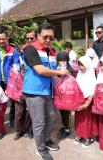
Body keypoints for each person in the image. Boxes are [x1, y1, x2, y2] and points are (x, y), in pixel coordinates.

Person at [23, 22, 68, 160]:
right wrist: (58, 71)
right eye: (45, 37)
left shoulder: (52, 51)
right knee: (39, 122)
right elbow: (40, 70)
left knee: (52, 117)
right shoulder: (30, 49)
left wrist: (61, 75)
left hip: (48, 91)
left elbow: (53, 72)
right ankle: (40, 149)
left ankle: (46, 140)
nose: (48, 40)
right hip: (34, 92)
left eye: (51, 37)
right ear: (37, 36)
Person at [0, 31, 20, 127]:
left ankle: (12, 119)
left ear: (7, 39)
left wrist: (13, 81)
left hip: (10, 81)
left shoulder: (13, 51)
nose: (1, 41)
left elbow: (16, 67)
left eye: (3, 39)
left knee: (13, 101)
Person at [74, 56, 98, 149]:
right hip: (79, 101)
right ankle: (80, 135)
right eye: (79, 64)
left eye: (82, 65)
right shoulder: (79, 74)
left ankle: (88, 137)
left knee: (87, 120)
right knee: (79, 120)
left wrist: (87, 103)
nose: (80, 67)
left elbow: (92, 91)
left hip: (87, 102)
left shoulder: (91, 76)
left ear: (87, 65)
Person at [13, 64, 33, 140]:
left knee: (28, 115)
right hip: (19, 100)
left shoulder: (31, 78)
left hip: (29, 99)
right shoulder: (16, 78)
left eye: (26, 71)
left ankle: (28, 130)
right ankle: (19, 131)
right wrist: (16, 97)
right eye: (23, 71)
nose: (24, 73)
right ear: (20, 71)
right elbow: (12, 88)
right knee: (19, 115)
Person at [56, 51, 73, 139]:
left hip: (67, 94)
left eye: (64, 60)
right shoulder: (56, 67)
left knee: (66, 112)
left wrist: (65, 72)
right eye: (60, 60)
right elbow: (56, 77)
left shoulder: (69, 68)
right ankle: (64, 125)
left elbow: (71, 78)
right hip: (59, 93)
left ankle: (67, 128)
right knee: (61, 111)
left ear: (67, 60)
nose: (62, 61)